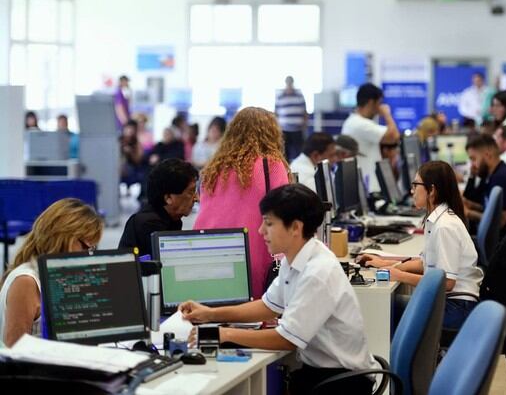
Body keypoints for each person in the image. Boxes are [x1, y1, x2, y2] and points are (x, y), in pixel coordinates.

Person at [180, 184, 377, 394]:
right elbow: (268, 306)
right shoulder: (297, 257)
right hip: (322, 373)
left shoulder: (318, 272)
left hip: (342, 383)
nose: (260, 231)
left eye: (269, 224)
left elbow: (286, 339)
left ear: (295, 228)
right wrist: (210, 314)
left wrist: (223, 334)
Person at [359, 161, 482, 330]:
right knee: (388, 306)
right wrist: (386, 264)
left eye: (415, 185)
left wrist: (399, 275)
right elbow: (425, 263)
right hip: (451, 303)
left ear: (432, 190)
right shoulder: (437, 219)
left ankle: (397, 356)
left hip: (457, 308)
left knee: (383, 310)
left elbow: (446, 282)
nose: (412, 191)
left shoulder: (445, 227)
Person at [194, 107, 290, 297]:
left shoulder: (213, 168)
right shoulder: (271, 165)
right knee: (252, 318)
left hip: (207, 252)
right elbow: (284, 213)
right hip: (252, 253)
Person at [0, 199, 103, 347]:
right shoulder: (26, 281)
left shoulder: (64, 275)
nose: (88, 255)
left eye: (93, 249)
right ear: (62, 238)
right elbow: (15, 352)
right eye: (86, 247)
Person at [119, 158, 198, 257]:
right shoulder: (149, 225)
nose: (196, 198)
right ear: (168, 197)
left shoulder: (172, 220)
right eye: (191, 192)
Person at [463, 134, 506, 236]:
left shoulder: (501, 180)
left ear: (488, 155)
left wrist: (468, 213)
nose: (472, 165)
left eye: (473, 159)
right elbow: (491, 208)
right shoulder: (496, 173)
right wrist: (469, 204)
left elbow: (499, 222)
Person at [341, 83, 400, 193]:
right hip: (366, 186)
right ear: (371, 102)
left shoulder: (355, 122)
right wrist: (387, 114)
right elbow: (394, 136)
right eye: (379, 103)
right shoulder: (360, 124)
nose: (380, 108)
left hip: (365, 184)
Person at [275, 76, 308, 161]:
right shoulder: (280, 96)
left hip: (297, 129)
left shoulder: (299, 95)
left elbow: (304, 112)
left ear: (293, 83)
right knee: (285, 153)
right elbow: (276, 113)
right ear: (286, 83)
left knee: (299, 152)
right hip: (284, 129)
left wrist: (305, 126)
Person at [119, 120, 146, 190]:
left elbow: (138, 160)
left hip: (132, 168)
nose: (130, 131)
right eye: (128, 129)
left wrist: (130, 152)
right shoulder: (118, 140)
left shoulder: (137, 143)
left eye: (132, 129)